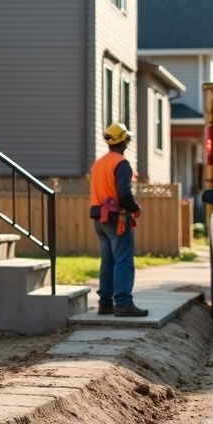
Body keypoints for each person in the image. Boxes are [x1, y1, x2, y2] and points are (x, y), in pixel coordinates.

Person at [90, 123, 148, 317]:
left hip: (99, 217)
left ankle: (105, 303)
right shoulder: (121, 163)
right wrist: (135, 208)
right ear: (124, 141)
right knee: (123, 260)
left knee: (108, 261)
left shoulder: (99, 163)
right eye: (127, 139)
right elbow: (123, 193)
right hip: (117, 218)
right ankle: (123, 303)